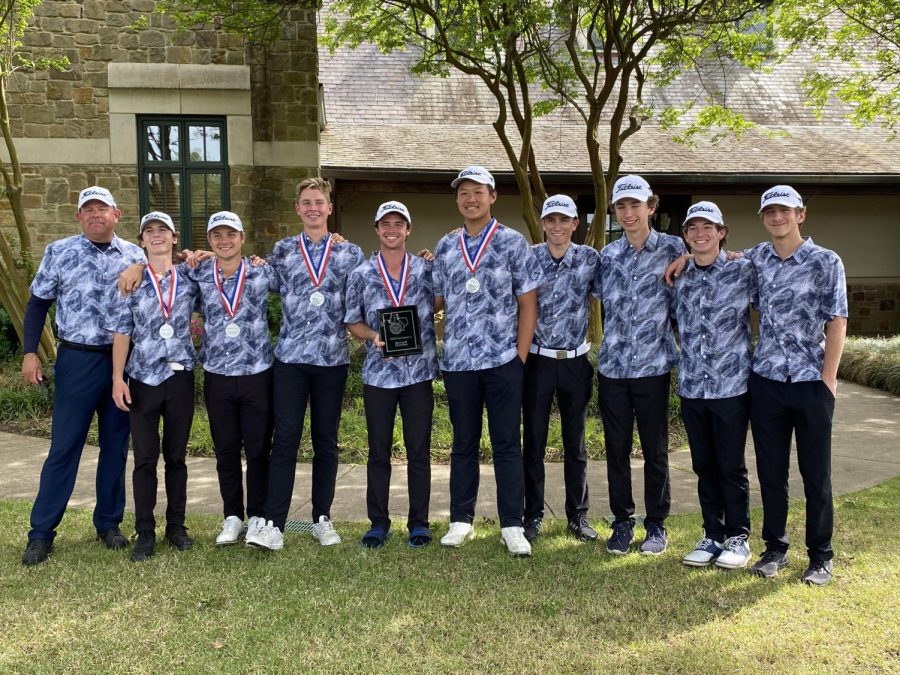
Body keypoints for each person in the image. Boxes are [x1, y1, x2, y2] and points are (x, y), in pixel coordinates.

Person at [20, 186, 146, 566]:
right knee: (64, 447)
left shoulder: (134, 254)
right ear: (78, 217)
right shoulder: (59, 252)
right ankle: (41, 532)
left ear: (116, 214)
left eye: (101, 209)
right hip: (76, 360)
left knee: (114, 445)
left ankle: (108, 523)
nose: (95, 215)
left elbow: (168, 269)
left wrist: (142, 265)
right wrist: (30, 353)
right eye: (87, 210)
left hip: (122, 363)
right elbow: (38, 303)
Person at [246, 177, 365, 551]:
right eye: (306, 203)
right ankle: (274, 523)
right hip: (291, 360)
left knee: (326, 442)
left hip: (332, 360)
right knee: (285, 440)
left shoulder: (350, 254)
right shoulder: (282, 251)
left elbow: (370, 289)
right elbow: (253, 278)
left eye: (319, 202)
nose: (313, 208)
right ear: (297, 209)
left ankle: (321, 518)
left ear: (329, 208)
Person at [433, 165, 543, 556]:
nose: (470, 198)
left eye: (478, 191)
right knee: (463, 443)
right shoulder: (446, 247)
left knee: (506, 444)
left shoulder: (514, 243)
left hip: (502, 361)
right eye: (463, 192)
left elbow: (528, 302)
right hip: (460, 362)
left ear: (492, 197)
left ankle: (512, 524)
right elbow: (435, 300)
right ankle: (461, 520)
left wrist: (520, 355)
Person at [745, 186, 847, 585]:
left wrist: (829, 379)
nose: (776, 217)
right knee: (771, 472)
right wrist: (684, 257)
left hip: (810, 382)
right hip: (767, 379)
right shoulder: (757, 258)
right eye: (769, 211)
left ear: (800, 215)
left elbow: (836, 321)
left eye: (784, 211)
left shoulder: (825, 261)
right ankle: (775, 548)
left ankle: (820, 555)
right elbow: (721, 260)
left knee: (815, 474)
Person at [594, 175, 686, 556]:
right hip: (613, 368)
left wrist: (721, 255)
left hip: (653, 367)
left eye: (636, 205)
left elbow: (712, 256)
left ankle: (656, 524)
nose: (629, 213)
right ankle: (622, 521)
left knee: (655, 449)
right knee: (616, 449)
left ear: (652, 206)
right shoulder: (607, 256)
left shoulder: (673, 248)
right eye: (621, 206)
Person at [344, 201, 439, 549]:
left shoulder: (425, 269)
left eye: (399, 223)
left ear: (408, 230)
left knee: (419, 450)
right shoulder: (361, 274)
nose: (392, 229)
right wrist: (373, 336)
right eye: (385, 223)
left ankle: (419, 523)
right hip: (379, 376)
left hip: (418, 373)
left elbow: (440, 301)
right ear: (376, 229)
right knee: (378, 451)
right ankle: (378, 523)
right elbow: (352, 320)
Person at [108, 211, 199, 561]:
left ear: (174, 239)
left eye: (164, 230)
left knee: (176, 457)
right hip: (143, 379)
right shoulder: (130, 281)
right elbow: (121, 331)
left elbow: (217, 266)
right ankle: (145, 531)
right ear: (142, 241)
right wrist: (118, 378)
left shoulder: (190, 278)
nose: (157, 235)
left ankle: (176, 525)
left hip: (179, 376)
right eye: (150, 231)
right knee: (145, 459)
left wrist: (200, 254)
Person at [671, 201, 755, 569]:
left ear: (722, 233)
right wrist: (683, 261)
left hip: (731, 387)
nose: (700, 234)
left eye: (708, 227)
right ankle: (712, 534)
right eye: (693, 228)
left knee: (731, 466)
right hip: (692, 387)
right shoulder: (679, 277)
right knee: (704, 465)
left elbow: (774, 256)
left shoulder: (743, 270)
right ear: (686, 236)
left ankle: (738, 537)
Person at [187, 211, 277, 547]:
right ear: (210, 241)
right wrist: (138, 266)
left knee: (257, 450)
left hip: (257, 373)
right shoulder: (198, 275)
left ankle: (257, 516)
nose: (225, 241)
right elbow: (163, 270)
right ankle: (232, 516)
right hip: (218, 374)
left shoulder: (260, 271)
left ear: (242, 238)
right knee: (225, 449)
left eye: (231, 234)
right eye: (217, 236)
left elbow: (298, 284)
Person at [522, 195, 600, 543]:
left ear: (575, 223)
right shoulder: (529, 257)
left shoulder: (589, 259)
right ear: (542, 224)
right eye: (550, 220)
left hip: (575, 361)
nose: (557, 227)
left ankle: (578, 516)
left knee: (576, 444)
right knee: (534, 442)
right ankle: (532, 515)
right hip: (538, 361)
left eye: (563, 220)